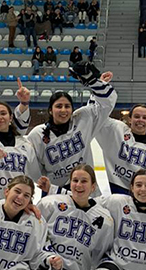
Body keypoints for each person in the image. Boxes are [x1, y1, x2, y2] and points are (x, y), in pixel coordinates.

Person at [27, 63, 117, 195]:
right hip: (55, 192)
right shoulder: (37, 134)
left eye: (67, 106)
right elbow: (33, 168)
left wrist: (95, 82)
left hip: (86, 189)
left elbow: (106, 103)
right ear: (50, 111)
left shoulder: (83, 120)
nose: (63, 110)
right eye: (59, 106)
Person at [94, 103, 146, 196]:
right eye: (137, 116)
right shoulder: (117, 131)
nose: (140, 120)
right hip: (119, 196)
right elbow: (97, 118)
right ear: (130, 119)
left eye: (145, 118)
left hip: (145, 199)